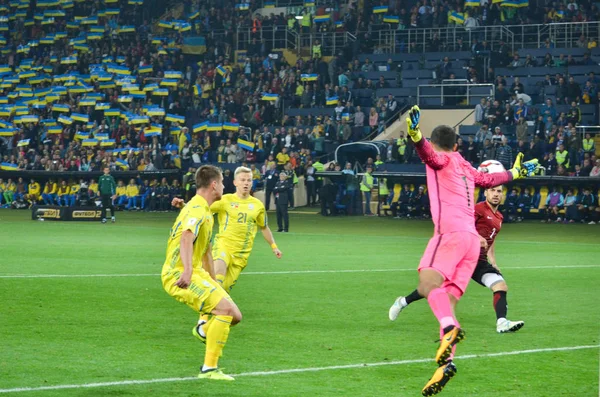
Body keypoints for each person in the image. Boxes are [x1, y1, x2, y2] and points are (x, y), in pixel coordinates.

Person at [392, 106, 538, 396]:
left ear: (436, 143)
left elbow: (427, 155)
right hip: (473, 243)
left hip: (451, 234)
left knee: (426, 283)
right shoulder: (465, 165)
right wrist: (515, 172)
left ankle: (448, 328)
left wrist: (415, 134)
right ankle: (446, 365)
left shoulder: (440, 158)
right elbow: (489, 180)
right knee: (447, 299)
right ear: (457, 145)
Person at [389, 185, 524, 333]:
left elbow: (491, 240)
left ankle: (502, 322)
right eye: (492, 190)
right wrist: (477, 237)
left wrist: (493, 261)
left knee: (500, 286)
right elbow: (464, 225)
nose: (496, 194)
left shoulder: (499, 217)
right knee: (432, 288)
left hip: (479, 262)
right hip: (462, 257)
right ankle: (402, 302)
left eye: (499, 191)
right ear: (485, 192)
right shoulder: (478, 209)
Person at [172, 167, 282, 332]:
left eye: (249, 180)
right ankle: (202, 321)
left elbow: (264, 227)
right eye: (243, 180)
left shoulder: (257, 205)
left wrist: (274, 247)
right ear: (235, 182)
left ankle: (205, 329)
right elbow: (202, 209)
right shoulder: (225, 200)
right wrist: (183, 206)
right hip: (223, 247)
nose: (246, 183)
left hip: (241, 256)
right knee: (217, 279)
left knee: (221, 291)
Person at [161, 165, 242, 381]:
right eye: (223, 182)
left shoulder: (202, 211)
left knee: (235, 315)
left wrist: (214, 283)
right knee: (225, 311)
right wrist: (187, 271)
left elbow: (205, 249)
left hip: (198, 273)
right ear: (214, 184)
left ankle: (203, 330)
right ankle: (209, 369)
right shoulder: (198, 209)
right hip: (178, 274)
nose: (224, 186)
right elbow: (186, 236)